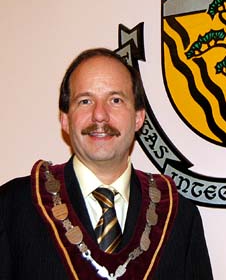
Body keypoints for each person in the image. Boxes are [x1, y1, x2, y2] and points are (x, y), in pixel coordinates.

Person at [0, 48, 213, 279]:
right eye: (85, 100)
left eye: (115, 100)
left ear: (139, 117)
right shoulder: (13, 207)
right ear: (65, 119)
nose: (99, 115)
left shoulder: (178, 214)